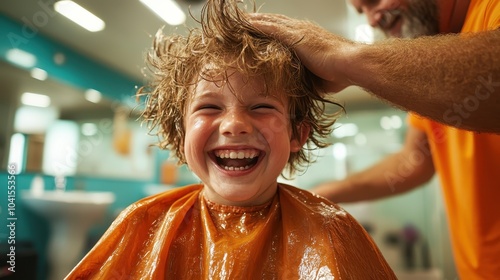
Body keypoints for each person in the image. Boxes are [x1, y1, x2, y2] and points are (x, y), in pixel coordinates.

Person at [65, 0, 397, 279]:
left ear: (298, 133)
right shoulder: (143, 223)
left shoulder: (332, 232)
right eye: (209, 107)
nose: (234, 125)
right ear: (180, 133)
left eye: (262, 106)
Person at [249, 0, 500, 279]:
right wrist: (326, 192)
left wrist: (347, 58)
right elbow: (414, 160)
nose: (370, 20)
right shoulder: (433, 81)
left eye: (372, 1)